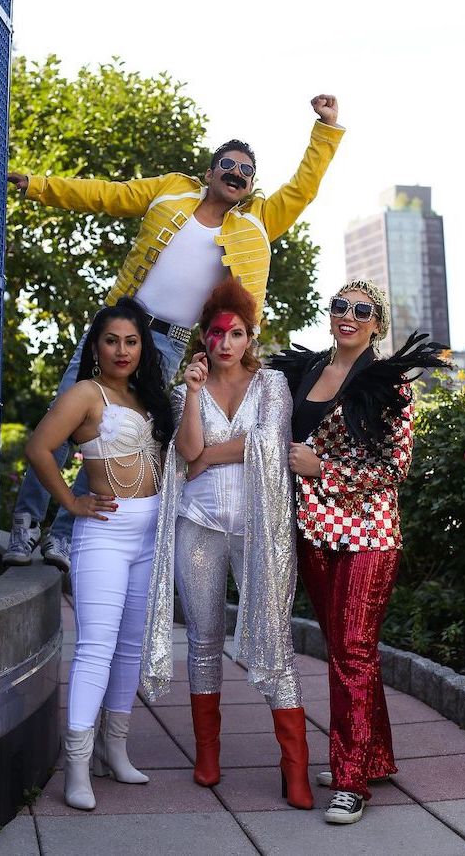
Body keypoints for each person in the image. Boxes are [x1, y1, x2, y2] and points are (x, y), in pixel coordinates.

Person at [5, 95, 344, 572]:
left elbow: (304, 187)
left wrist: (325, 129)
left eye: (245, 171)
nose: (235, 173)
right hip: (122, 320)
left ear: (249, 185)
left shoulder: (257, 221)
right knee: (64, 417)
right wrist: (39, 185)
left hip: (168, 343)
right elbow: (107, 194)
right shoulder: (170, 191)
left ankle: (64, 535)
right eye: (227, 164)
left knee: (114, 438)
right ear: (209, 172)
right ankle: (25, 523)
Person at [274, 280, 450, 825]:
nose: (347, 315)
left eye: (362, 310)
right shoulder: (304, 373)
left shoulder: (390, 386)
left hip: (368, 534)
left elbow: (396, 467)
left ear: (378, 323)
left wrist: (323, 469)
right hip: (313, 530)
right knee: (348, 652)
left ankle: (350, 782)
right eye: (340, 306)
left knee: (352, 649)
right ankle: (371, 757)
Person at [141, 279, 314, 810]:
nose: (225, 343)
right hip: (199, 524)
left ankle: (296, 768)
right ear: (204, 338)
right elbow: (186, 446)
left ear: (248, 336)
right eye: (216, 333)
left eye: (235, 333)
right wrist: (193, 395)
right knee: (204, 640)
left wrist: (209, 458)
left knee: (274, 637)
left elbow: (269, 443)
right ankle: (208, 753)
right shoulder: (183, 389)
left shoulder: (272, 385)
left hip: (260, 530)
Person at [24, 298, 173, 811]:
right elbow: (40, 448)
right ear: (96, 345)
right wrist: (70, 502)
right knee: (95, 648)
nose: (122, 350)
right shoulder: (86, 394)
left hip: (149, 536)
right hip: (104, 534)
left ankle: (116, 750)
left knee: (130, 647)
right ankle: (77, 765)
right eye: (112, 340)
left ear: (142, 347)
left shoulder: (145, 396)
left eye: (132, 341)